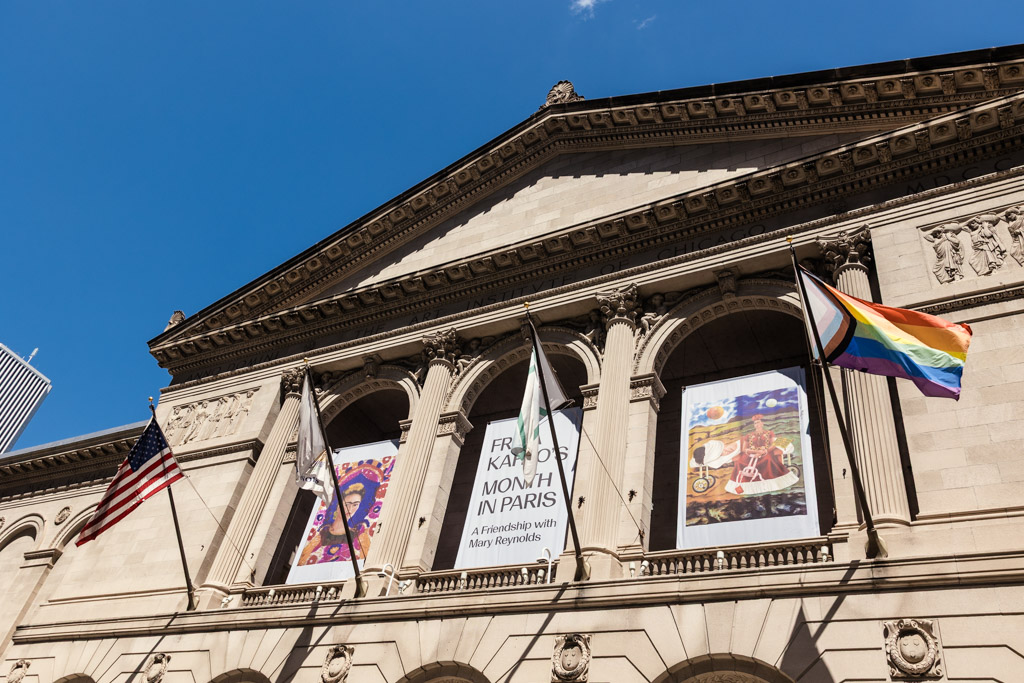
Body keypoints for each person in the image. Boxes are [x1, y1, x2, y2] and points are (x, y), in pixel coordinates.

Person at [725, 414, 798, 495]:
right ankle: (743, 486)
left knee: (768, 460)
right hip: (751, 454)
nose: (757, 424)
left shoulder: (769, 433)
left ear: (762, 424)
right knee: (740, 462)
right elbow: (744, 449)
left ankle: (769, 485)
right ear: (754, 425)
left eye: (758, 422)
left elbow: (773, 444)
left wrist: (764, 452)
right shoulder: (749, 435)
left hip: (765, 452)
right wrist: (753, 452)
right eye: (755, 423)